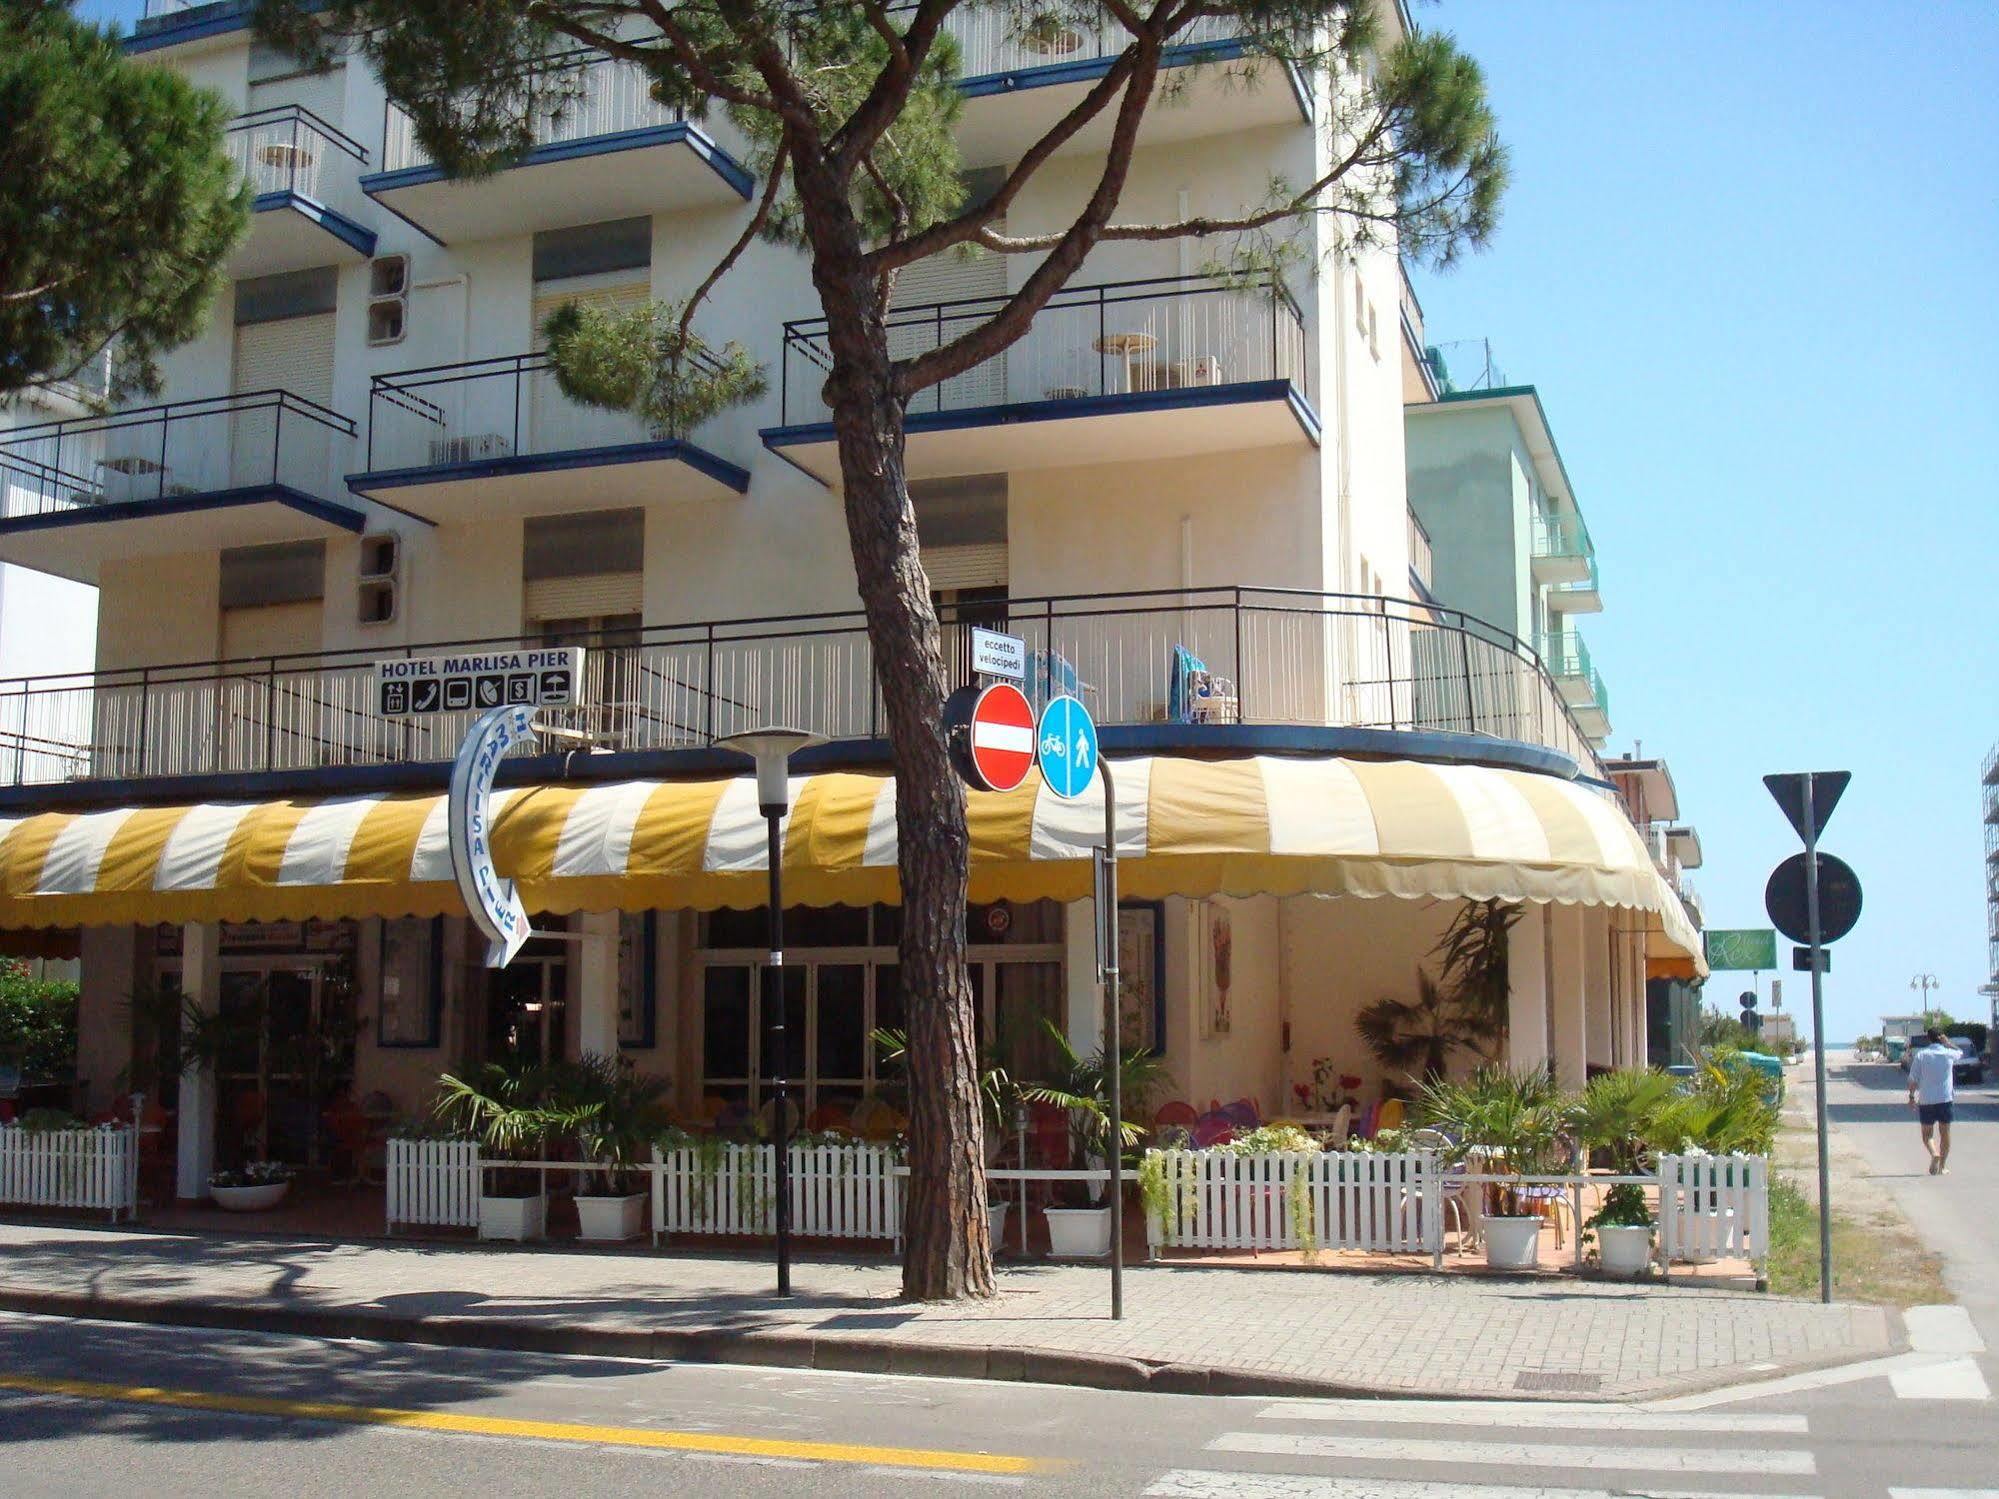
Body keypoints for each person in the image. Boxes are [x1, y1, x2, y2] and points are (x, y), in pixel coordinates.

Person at [1906, 1028, 1959, 1175]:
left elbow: (1913, 1079)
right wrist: (1948, 1043)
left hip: (1926, 1099)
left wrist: (1911, 1097)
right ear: (1941, 1038)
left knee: (1927, 1134)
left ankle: (1934, 1153)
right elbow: (1960, 1052)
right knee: (1945, 1134)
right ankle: (1942, 1166)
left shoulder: (1921, 1055)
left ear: (1928, 1039)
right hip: (1945, 1099)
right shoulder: (1948, 1054)